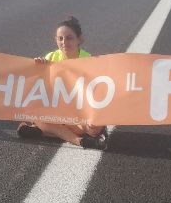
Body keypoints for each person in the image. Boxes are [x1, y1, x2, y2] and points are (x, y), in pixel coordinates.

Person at [16, 15, 108, 149]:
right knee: (38, 116)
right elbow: (39, 89)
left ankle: (44, 131)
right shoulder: (51, 57)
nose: (64, 42)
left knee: (93, 127)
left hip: (79, 112)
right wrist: (39, 68)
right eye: (60, 38)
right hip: (58, 111)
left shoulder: (89, 60)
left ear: (79, 39)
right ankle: (80, 141)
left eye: (69, 38)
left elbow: (97, 93)